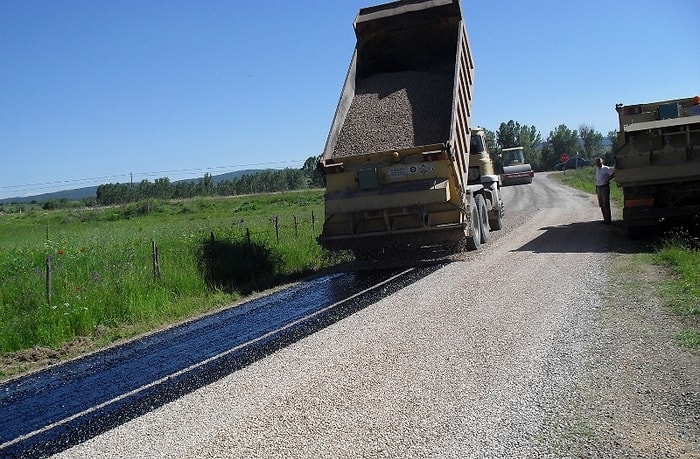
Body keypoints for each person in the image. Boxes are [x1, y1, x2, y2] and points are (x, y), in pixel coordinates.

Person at [594, 157, 615, 224]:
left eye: (599, 162)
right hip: (599, 187)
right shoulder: (597, 169)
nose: (597, 164)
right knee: (601, 205)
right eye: (596, 163)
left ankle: (608, 221)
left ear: (601, 162)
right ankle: (605, 219)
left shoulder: (605, 168)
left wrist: (608, 179)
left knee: (606, 204)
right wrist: (596, 188)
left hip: (604, 187)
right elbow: (597, 179)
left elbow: (613, 173)